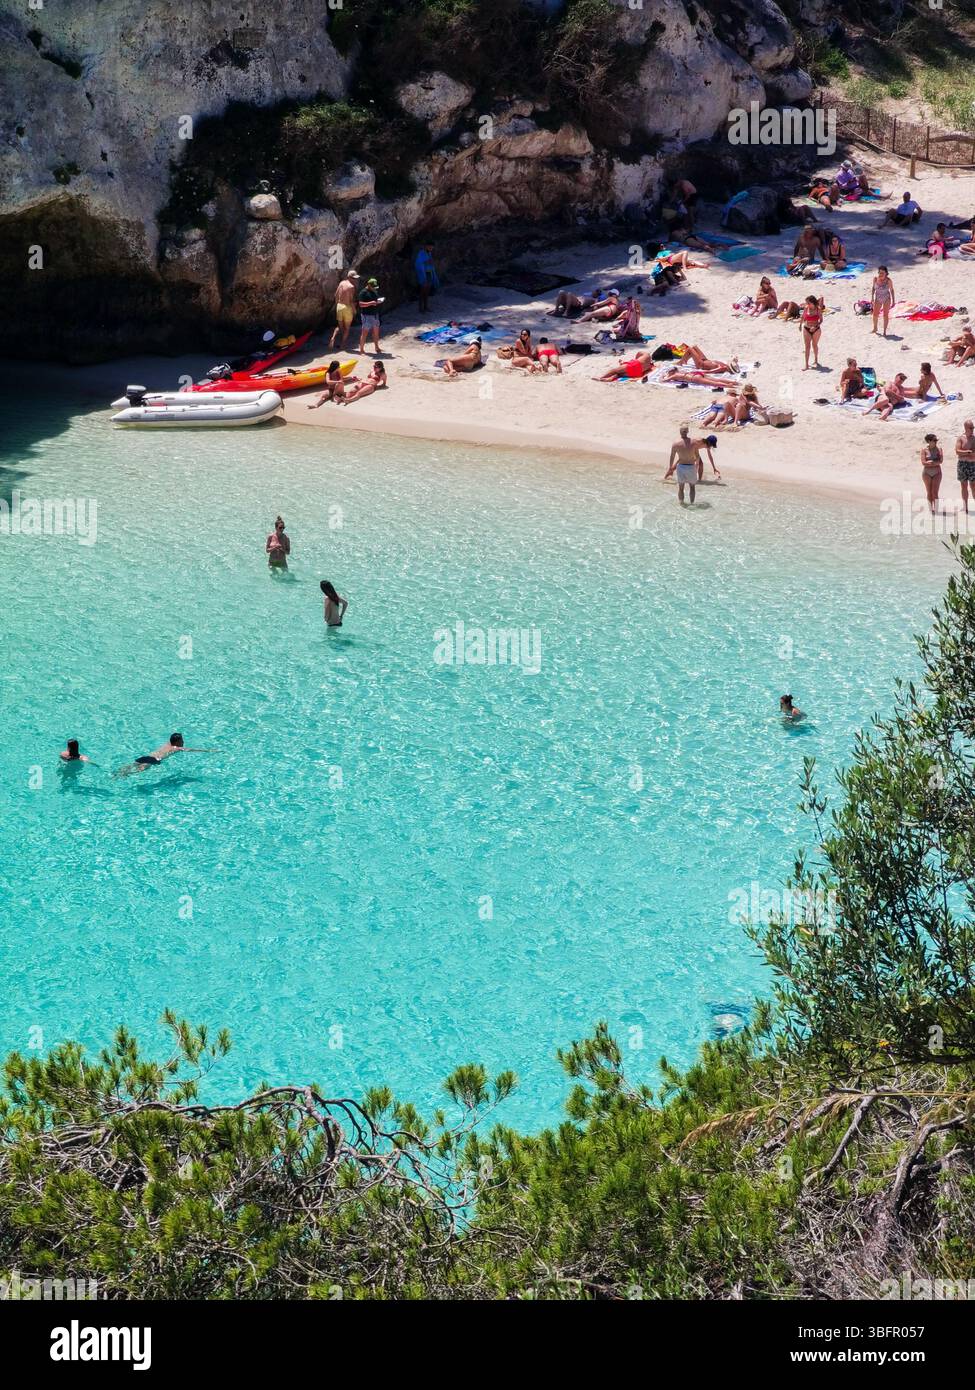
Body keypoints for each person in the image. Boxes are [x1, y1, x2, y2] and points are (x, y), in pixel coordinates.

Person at [114, 733, 213, 779]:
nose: (183, 742)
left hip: (147, 756)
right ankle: (125, 774)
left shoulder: (167, 744)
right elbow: (191, 750)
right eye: (182, 740)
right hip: (154, 760)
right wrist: (208, 750)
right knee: (139, 770)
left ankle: (119, 771)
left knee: (133, 764)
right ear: (177, 742)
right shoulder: (176, 748)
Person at [665, 424, 706, 504]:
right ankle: (692, 503)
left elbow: (672, 457)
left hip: (681, 467)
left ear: (680, 432)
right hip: (691, 467)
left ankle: (681, 503)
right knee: (692, 487)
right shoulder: (694, 442)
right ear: (688, 432)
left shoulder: (676, 444)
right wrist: (697, 465)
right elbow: (697, 456)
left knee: (681, 488)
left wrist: (670, 468)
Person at [328, 271, 359, 350]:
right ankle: (342, 345)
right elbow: (351, 301)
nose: (354, 280)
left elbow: (336, 295)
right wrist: (354, 310)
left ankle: (333, 338)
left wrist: (337, 305)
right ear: (349, 277)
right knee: (347, 328)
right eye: (353, 278)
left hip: (339, 306)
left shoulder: (341, 283)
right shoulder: (351, 287)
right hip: (347, 307)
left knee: (339, 326)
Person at [357, 277, 384, 355]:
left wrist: (377, 302)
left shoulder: (374, 291)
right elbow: (361, 304)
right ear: (368, 285)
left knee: (376, 332)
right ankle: (361, 349)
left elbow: (375, 300)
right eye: (373, 287)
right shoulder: (363, 293)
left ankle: (377, 347)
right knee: (364, 333)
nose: (374, 288)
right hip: (367, 315)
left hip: (375, 314)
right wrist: (371, 303)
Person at [800, 294, 824, 370]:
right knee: (807, 346)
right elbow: (803, 317)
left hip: (816, 329)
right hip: (806, 328)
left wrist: (815, 326)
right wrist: (800, 325)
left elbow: (821, 320)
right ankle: (806, 365)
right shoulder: (806, 308)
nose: (807, 304)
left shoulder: (818, 309)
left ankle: (816, 359)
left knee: (814, 345)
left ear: (813, 303)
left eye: (808, 303)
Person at [956, 420, 975, 513]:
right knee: (963, 486)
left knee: (973, 486)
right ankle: (965, 507)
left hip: (972, 465)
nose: (972, 430)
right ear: (965, 428)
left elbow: (974, 454)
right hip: (962, 464)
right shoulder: (961, 438)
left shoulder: (974, 439)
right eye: (971, 428)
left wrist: (964, 452)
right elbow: (957, 451)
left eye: (973, 427)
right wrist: (968, 452)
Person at [921, 434, 943, 513]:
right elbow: (923, 462)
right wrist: (931, 463)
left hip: (937, 472)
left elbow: (941, 461)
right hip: (926, 473)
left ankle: (936, 510)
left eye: (936, 440)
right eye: (934, 440)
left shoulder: (939, 449)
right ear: (929, 441)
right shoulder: (924, 450)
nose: (936, 442)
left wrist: (931, 463)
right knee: (929, 492)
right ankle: (931, 510)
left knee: (935, 492)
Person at [871, 266, 895, 337]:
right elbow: (873, 288)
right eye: (879, 272)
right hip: (877, 298)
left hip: (886, 298)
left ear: (886, 273)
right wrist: (872, 297)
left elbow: (892, 290)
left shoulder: (888, 280)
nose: (880, 274)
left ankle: (884, 331)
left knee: (885, 315)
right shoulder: (875, 279)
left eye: (882, 273)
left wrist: (893, 301)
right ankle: (875, 328)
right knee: (875, 314)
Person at [414, 244, 438, 314]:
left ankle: (426, 307)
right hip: (423, 274)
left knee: (427, 292)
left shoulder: (429, 253)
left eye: (432, 247)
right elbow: (418, 263)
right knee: (422, 291)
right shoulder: (421, 253)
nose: (431, 248)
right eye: (430, 247)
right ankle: (421, 308)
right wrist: (427, 262)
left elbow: (430, 262)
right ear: (426, 246)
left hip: (429, 273)